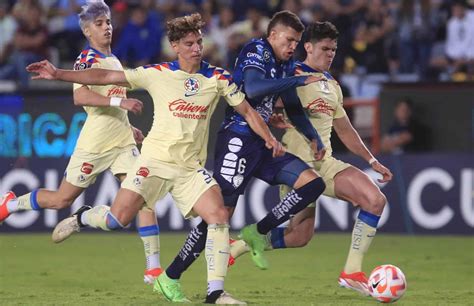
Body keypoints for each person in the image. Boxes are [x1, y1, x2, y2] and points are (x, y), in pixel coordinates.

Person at [26, 12, 283, 305]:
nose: (197, 48)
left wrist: (269, 137)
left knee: (219, 216)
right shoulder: (157, 73)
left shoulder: (217, 77)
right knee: (117, 219)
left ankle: (215, 293)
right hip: (153, 163)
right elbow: (106, 76)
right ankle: (85, 216)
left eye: (199, 42)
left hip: (189, 168)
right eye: (189, 43)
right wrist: (59, 74)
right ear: (175, 45)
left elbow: (248, 111)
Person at [154, 10, 328, 299]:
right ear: (272, 35)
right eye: (288, 40)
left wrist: (313, 137)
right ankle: (171, 275)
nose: (292, 47)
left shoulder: (286, 64)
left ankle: (257, 232)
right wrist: (297, 81)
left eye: (296, 42)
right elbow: (253, 87)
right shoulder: (256, 50)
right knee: (218, 217)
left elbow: (294, 107)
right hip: (238, 140)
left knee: (313, 184)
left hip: (264, 144)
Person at [0, 0, 163, 285]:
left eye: (108, 22)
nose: (107, 28)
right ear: (87, 31)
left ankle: (153, 268)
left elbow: (110, 106)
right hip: (95, 144)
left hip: (122, 142)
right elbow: (81, 97)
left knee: (143, 197)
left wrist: (129, 127)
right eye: (99, 24)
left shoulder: (113, 60)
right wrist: (120, 101)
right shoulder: (86, 60)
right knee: (62, 199)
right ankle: (12, 203)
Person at [228, 21, 393, 296]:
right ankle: (240, 245)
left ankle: (352, 272)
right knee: (298, 236)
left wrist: (372, 160)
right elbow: (257, 103)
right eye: (325, 48)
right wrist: (271, 118)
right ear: (308, 47)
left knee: (375, 200)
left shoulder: (332, 85)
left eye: (334, 49)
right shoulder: (290, 73)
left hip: (325, 163)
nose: (331, 54)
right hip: (297, 167)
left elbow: (346, 130)